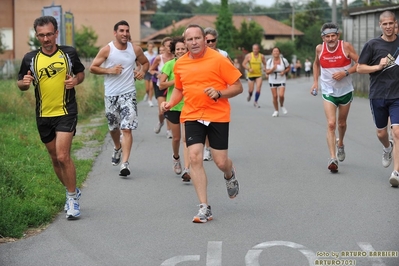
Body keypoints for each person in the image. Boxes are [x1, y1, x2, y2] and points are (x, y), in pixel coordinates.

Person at [160, 24, 243, 223]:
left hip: (218, 115)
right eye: (190, 40)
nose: (194, 42)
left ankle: (229, 174)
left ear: (205, 40)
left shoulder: (218, 60)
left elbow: (238, 86)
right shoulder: (180, 64)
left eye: (198, 38)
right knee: (195, 157)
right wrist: (170, 103)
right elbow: (179, 88)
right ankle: (204, 207)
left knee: (221, 162)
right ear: (185, 42)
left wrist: (220, 93)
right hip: (192, 114)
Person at [17, 16, 85, 220]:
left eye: (49, 34)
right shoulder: (30, 58)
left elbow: (81, 73)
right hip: (43, 114)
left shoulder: (68, 53)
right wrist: (25, 83)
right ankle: (70, 190)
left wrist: (75, 80)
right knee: (55, 158)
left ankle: (72, 199)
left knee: (63, 155)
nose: (46, 39)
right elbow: (20, 82)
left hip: (66, 111)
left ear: (56, 33)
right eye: (41, 35)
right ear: (36, 35)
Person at [90, 20, 149, 177]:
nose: (125, 33)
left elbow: (145, 63)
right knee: (113, 128)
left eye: (127, 30)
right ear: (115, 33)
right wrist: (109, 70)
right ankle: (117, 147)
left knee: (126, 128)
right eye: (121, 30)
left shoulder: (135, 49)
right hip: (111, 95)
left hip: (128, 94)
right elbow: (93, 68)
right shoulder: (107, 50)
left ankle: (125, 163)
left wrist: (142, 71)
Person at [357, 11, 399, 187]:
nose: (388, 27)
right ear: (380, 25)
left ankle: (396, 172)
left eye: (391, 23)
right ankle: (387, 148)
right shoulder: (372, 44)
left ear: (395, 23)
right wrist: (377, 66)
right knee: (382, 133)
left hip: (397, 95)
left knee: (397, 132)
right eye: (385, 24)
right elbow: (359, 68)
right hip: (378, 95)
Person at [311, 22, 358, 173]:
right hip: (328, 91)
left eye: (333, 36)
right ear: (322, 37)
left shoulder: (346, 47)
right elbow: (316, 64)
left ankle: (341, 144)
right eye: (327, 36)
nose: (330, 39)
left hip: (345, 90)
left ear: (338, 35)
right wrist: (315, 82)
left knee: (341, 123)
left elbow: (361, 64)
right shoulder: (319, 48)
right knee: (331, 124)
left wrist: (345, 73)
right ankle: (333, 158)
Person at [158, 36, 191, 181]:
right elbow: (161, 84)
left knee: (186, 139)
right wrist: (177, 81)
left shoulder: (192, 63)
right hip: (174, 105)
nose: (180, 51)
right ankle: (176, 158)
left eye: (183, 48)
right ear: (174, 50)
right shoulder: (170, 65)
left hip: (189, 105)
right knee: (177, 138)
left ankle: (187, 169)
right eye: (178, 49)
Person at [203, 27, 232, 161]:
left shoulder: (223, 54)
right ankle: (207, 148)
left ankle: (216, 149)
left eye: (212, 41)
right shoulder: (200, 55)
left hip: (220, 95)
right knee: (205, 122)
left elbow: (233, 71)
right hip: (204, 93)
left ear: (216, 40)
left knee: (216, 123)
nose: (210, 44)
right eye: (207, 41)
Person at [149, 37, 175, 137]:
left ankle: (169, 130)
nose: (170, 48)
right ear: (163, 47)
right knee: (161, 111)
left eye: (171, 45)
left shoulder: (175, 57)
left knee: (168, 108)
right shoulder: (159, 58)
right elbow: (151, 70)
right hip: (161, 86)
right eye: (168, 46)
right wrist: (158, 75)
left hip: (172, 87)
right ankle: (160, 122)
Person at [265, 47, 290, 117]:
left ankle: (282, 105)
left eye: (277, 51)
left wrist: (284, 72)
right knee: (275, 96)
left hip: (281, 79)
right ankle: (276, 110)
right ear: (272, 53)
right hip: (272, 79)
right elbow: (267, 72)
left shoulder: (283, 60)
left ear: (279, 52)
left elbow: (288, 67)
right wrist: (273, 69)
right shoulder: (269, 61)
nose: (276, 52)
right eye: (274, 51)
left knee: (281, 95)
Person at [143, 41, 157, 107]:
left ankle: (150, 100)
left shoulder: (155, 54)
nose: (150, 48)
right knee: (147, 88)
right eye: (149, 47)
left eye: (152, 47)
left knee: (151, 87)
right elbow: (142, 62)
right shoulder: (145, 54)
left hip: (152, 72)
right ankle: (147, 93)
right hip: (147, 72)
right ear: (147, 47)